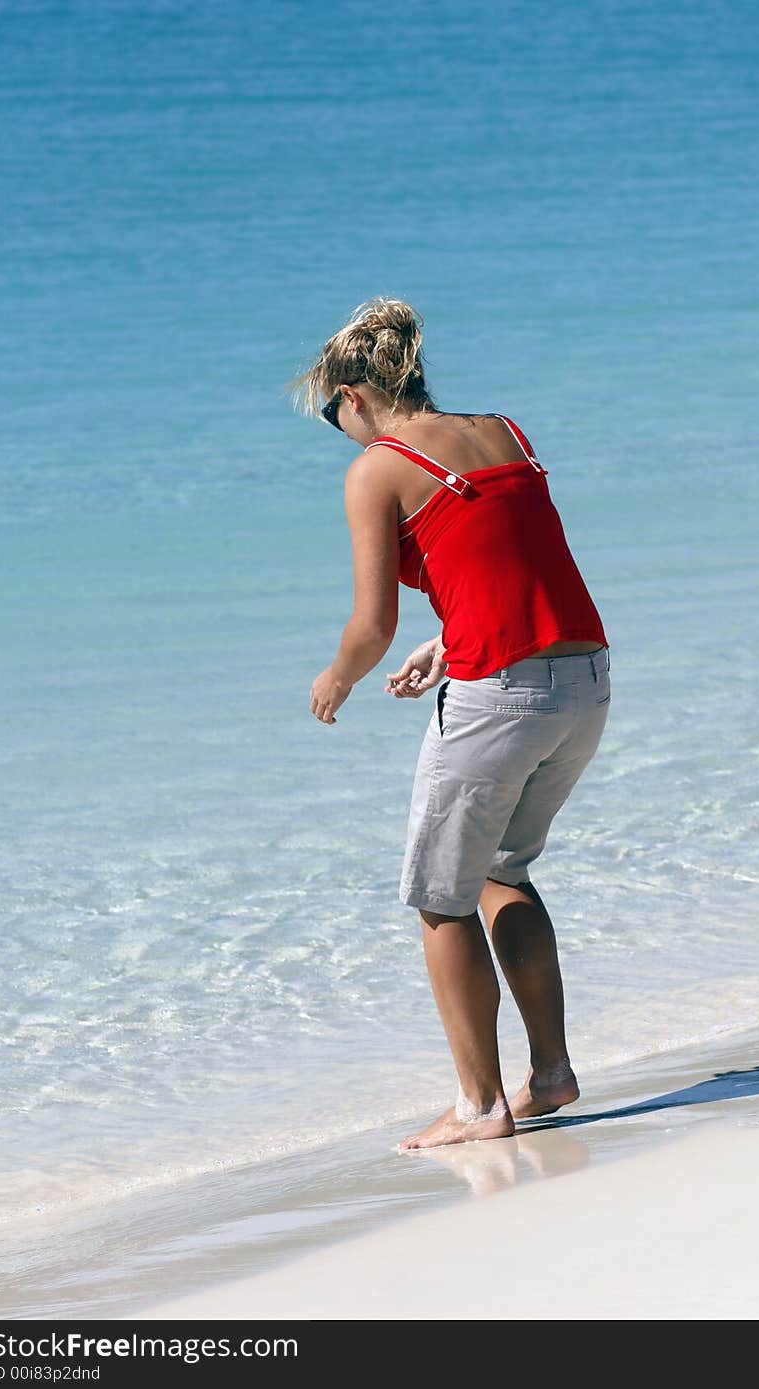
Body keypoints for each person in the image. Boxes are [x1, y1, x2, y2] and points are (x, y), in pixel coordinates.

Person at [291, 298, 610, 1151]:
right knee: (506, 869)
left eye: (333, 415)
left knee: (441, 898)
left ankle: (479, 1106)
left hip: (500, 698)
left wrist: (336, 678)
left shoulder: (380, 467)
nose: (340, 432)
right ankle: (551, 1074)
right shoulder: (504, 430)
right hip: (583, 683)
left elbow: (370, 627)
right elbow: (513, 565)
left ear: (356, 396)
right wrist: (450, 639)